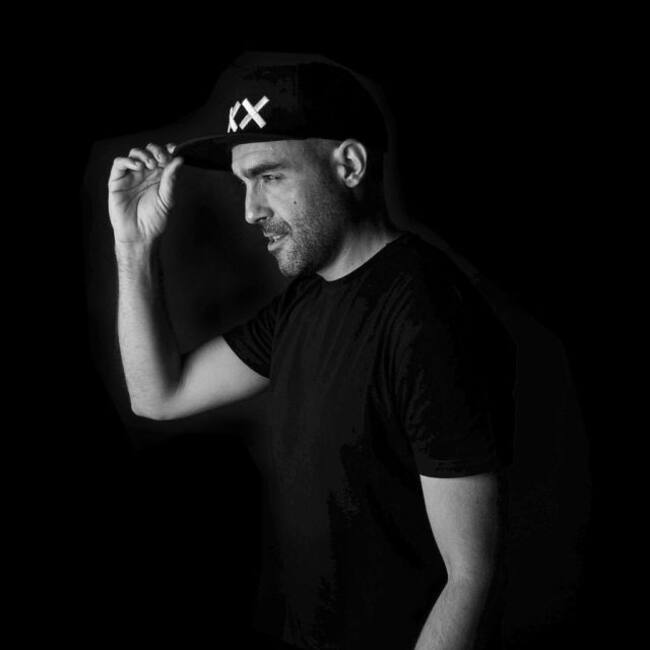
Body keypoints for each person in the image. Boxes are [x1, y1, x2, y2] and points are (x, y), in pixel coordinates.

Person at [107, 52, 516, 650]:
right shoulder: (306, 299)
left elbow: (472, 577)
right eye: (244, 182)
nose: (250, 210)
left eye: (270, 176)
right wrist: (134, 246)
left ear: (349, 165)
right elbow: (156, 395)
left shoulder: (429, 315)